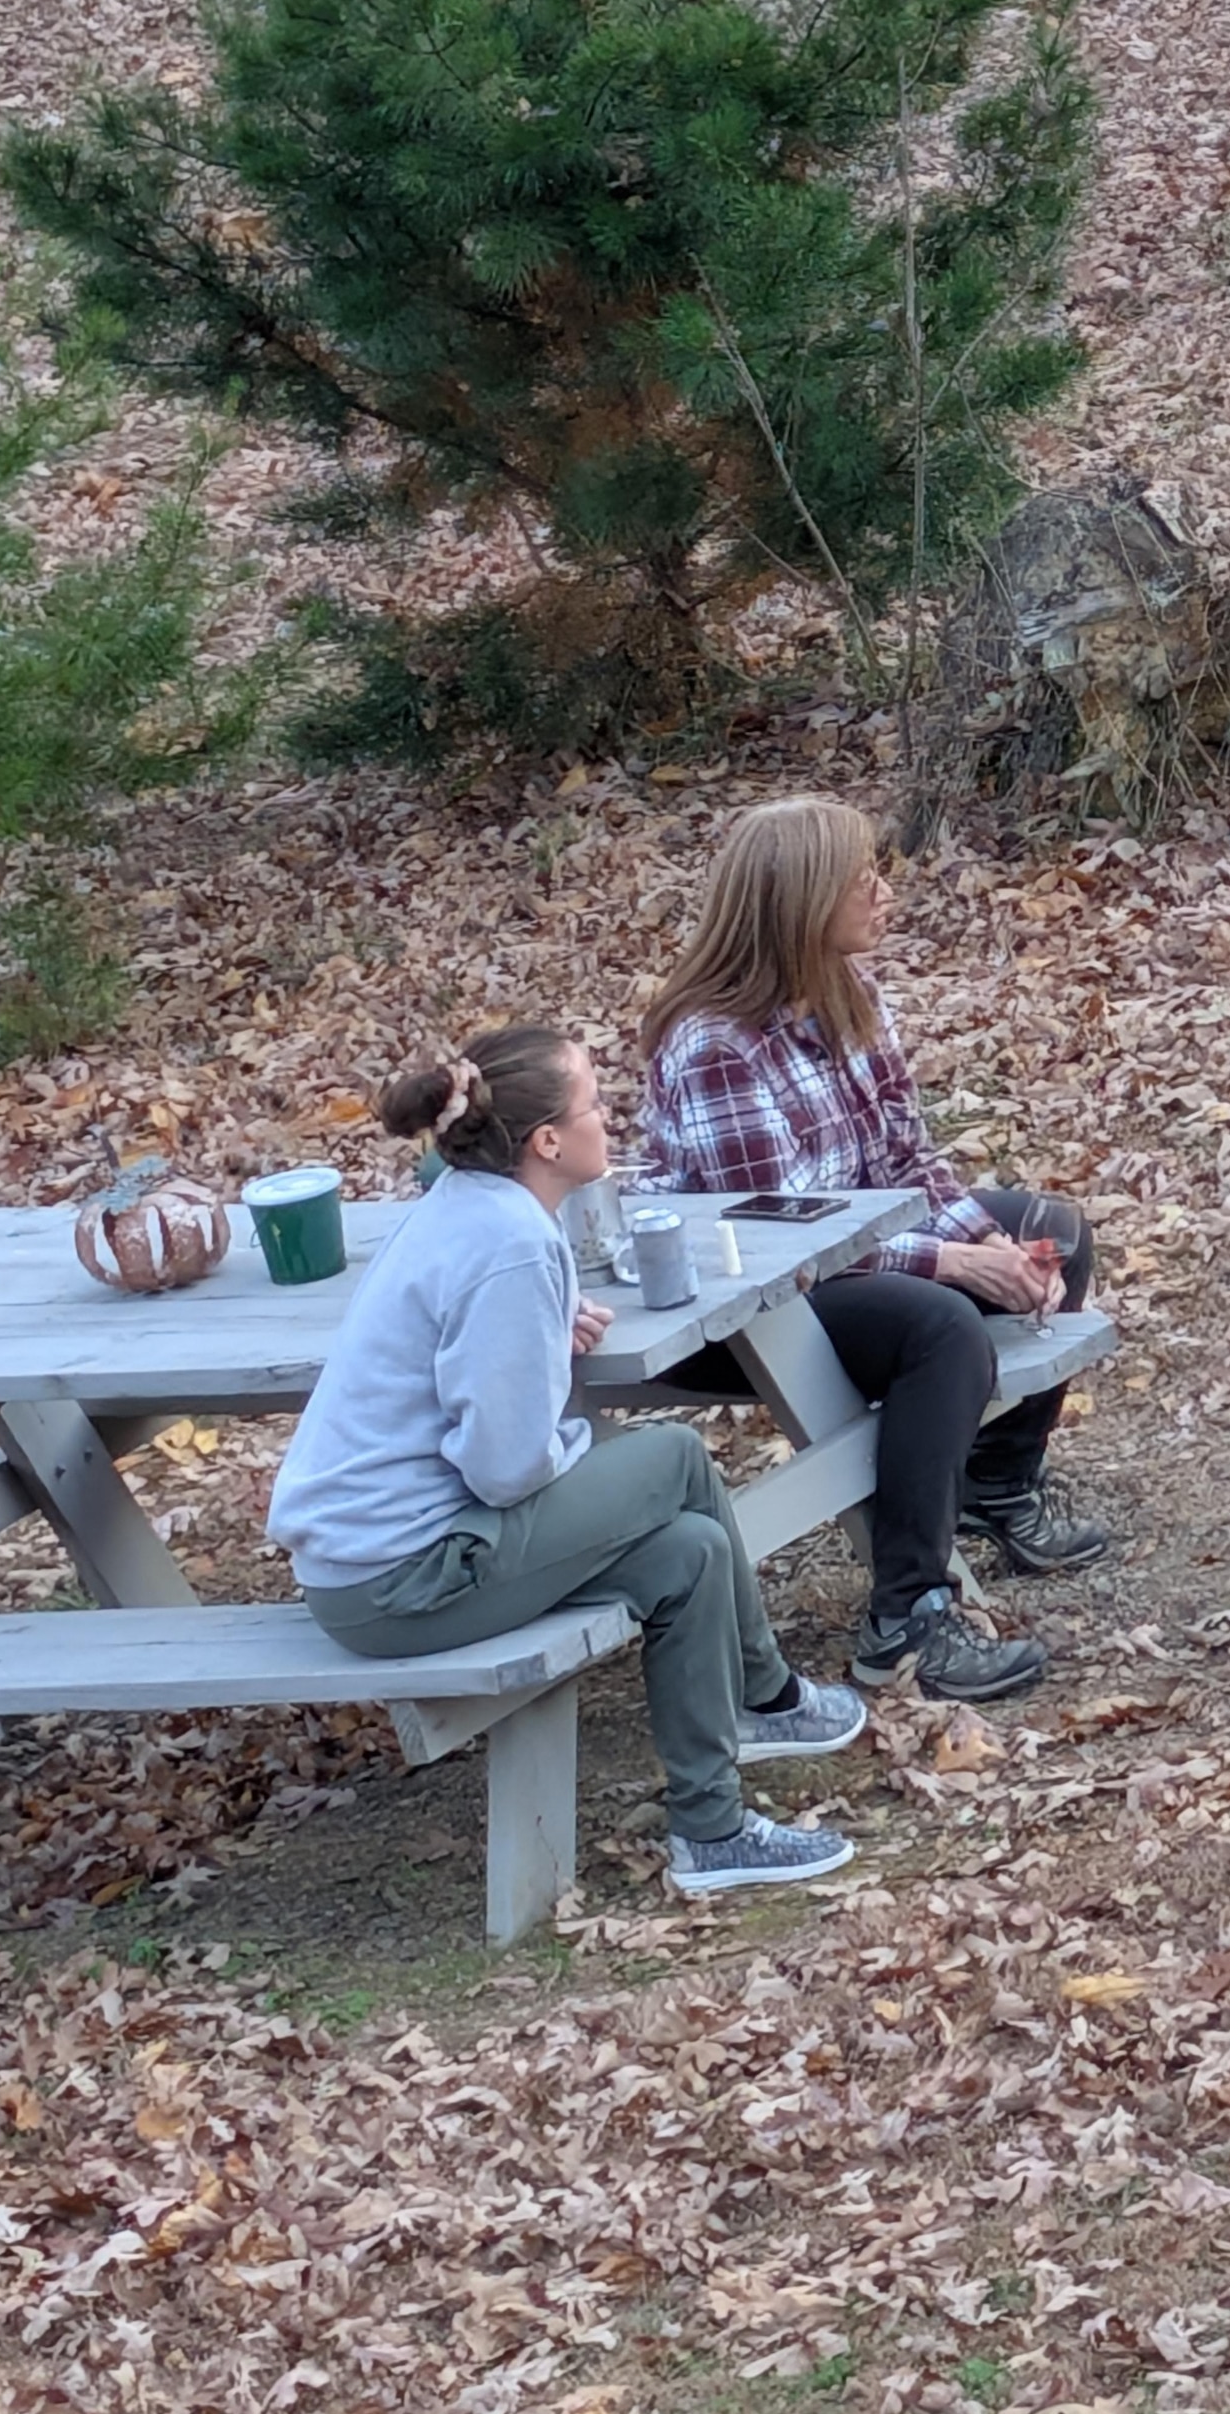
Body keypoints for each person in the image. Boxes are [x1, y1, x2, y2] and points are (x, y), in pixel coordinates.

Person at [268, 1025, 869, 1901]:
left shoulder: (470, 1206)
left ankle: (711, 1830)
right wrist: (558, 1391)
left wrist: (544, 1326)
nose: (609, 1115)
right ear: (547, 1141)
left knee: (690, 1551)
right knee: (675, 1457)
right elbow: (505, 1469)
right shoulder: (510, 1243)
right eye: (592, 1102)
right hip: (398, 1577)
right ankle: (766, 1697)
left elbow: (475, 1355)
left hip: (391, 1561)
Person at [637, 799, 1108, 1707]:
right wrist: (954, 1266)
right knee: (940, 1327)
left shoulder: (848, 992)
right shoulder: (715, 1044)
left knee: (1056, 1233)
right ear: (804, 901)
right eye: (863, 879)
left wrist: (991, 1243)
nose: (885, 892)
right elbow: (785, 1242)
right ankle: (906, 1618)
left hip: (838, 1254)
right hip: (739, 1306)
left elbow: (906, 1161)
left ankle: (996, 1485)